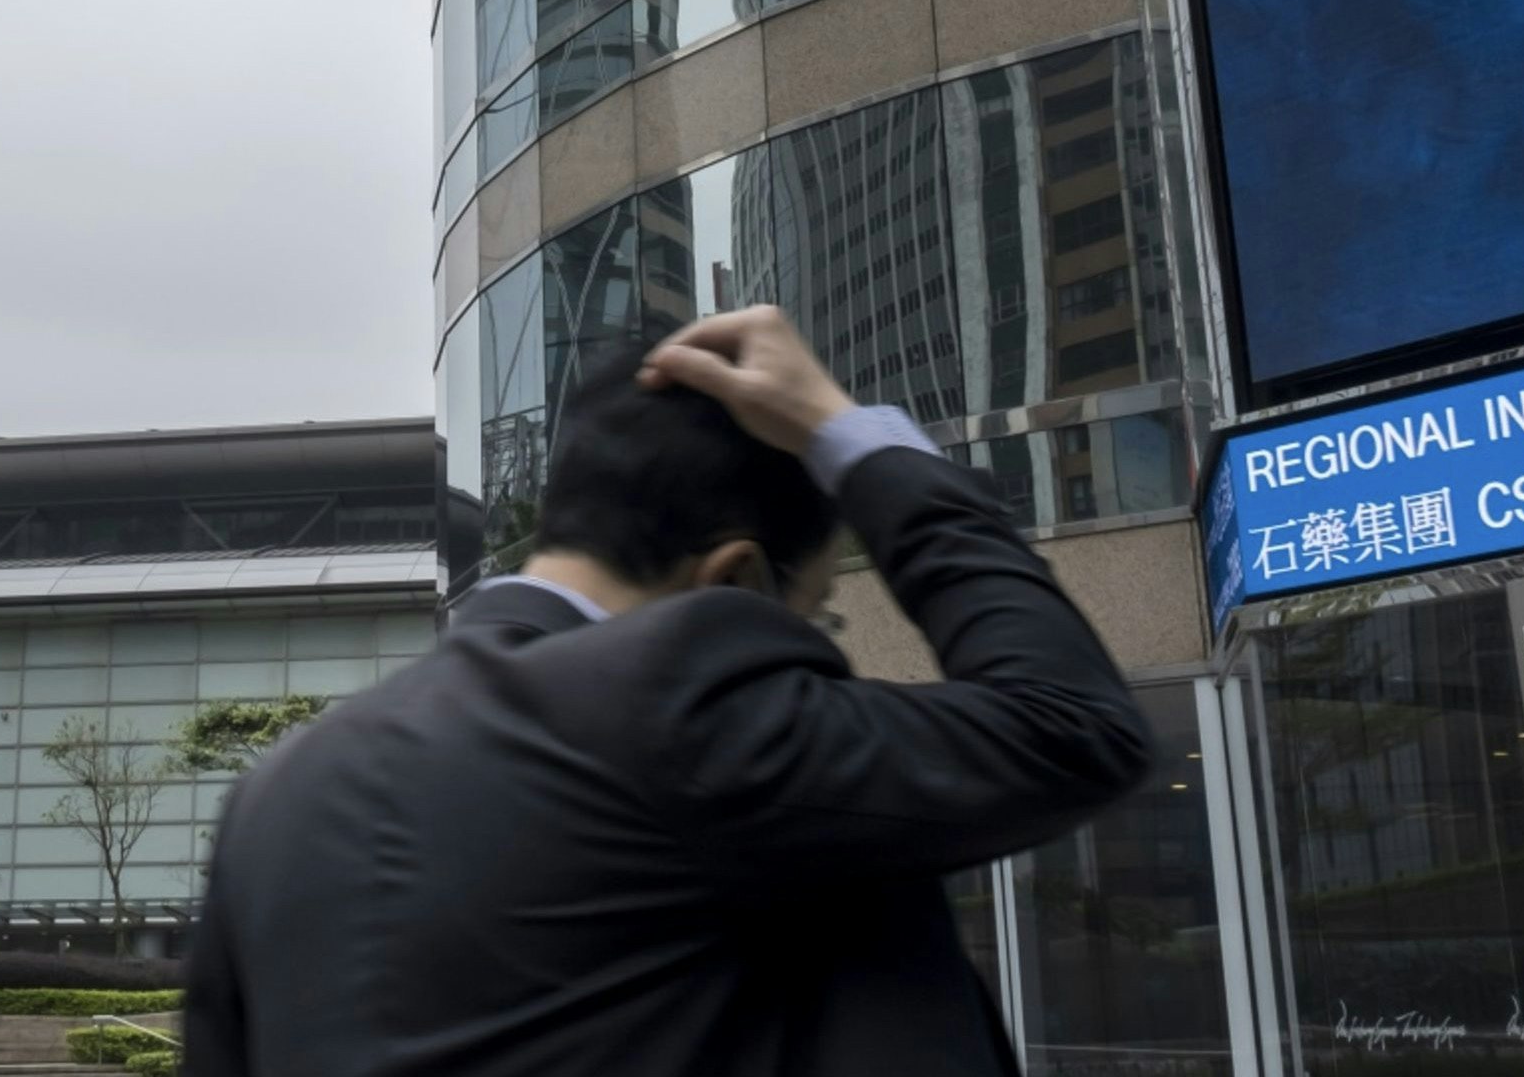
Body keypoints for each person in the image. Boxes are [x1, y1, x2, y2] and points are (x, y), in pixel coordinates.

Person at [183, 305, 1152, 1077]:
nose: (811, 657)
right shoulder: (674, 697)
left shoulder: (275, 791)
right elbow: (1071, 724)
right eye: (812, 619)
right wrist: (850, 438)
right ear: (734, 582)